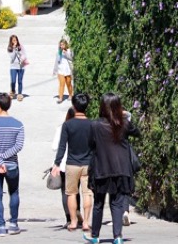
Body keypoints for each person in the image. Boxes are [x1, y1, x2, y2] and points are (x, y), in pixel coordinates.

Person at [85, 93, 140, 244]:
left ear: (102, 107)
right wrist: (126, 117)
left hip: (102, 168)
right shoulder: (124, 124)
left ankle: (95, 236)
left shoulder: (95, 125)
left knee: (98, 203)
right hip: (121, 169)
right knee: (116, 203)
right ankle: (118, 236)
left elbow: (90, 145)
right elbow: (137, 133)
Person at [51, 94, 93, 233]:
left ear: (74, 106)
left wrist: (57, 163)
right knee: (87, 193)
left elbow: (62, 146)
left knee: (71, 193)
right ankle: (86, 222)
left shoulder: (68, 125)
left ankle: (73, 221)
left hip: (72, 164)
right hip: (88, 164)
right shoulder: (92, 124)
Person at [0, 92, 25, 236]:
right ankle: (13, 224)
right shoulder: (18, 124)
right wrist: (5, 157)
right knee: (14, 192)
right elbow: (18, 146)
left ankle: (1, 226)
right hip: (12, 165)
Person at [52, 107, 83, 228]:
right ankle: (77, 212)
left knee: (66, 192)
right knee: (76, 190)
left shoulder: (61, 127)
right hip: (78, 162)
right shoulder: (83, 127)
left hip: (64, 164)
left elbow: (54, 147)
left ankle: (69, 218)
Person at [52, 38, 74, 103]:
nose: (61, 46)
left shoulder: (69, 51)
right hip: (60, 70)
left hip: (67, 70)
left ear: (65, 45)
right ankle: (60, 98)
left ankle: (70, 95)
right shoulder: (59, 52)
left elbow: (72, 59)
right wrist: (55, 70)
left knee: (68, 83)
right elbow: (56, 62)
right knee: (61, 84)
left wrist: (66, 53)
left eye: (63, 45)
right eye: (60, 45)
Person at [7, 35, 27, 101]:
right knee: (13, 81)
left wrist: (22, 59)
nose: (15, 41)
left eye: (15, 40)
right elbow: (12, 57)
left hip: (21, 66)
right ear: (11, 41)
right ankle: (13, 91)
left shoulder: (21, 47)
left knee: (20, 81)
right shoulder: (9, 48)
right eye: (13, 40)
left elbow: (24, 55)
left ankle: (20, 94)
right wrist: (14, 49)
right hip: (13, 67)